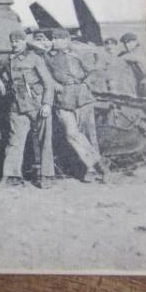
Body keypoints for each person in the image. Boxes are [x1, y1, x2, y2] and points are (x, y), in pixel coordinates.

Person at [0, 30, 55, 189]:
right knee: (14, 141)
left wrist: (47, 104)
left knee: (44, 140)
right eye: (12, 41)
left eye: (18, 41)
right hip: (17, 105)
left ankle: (46, 175)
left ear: (25, 41)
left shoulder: (35, 58)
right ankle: (11, 176)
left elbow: (48, 83)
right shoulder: (7, 59)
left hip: (37, 103)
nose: (14, 44)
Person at [44, 29, 109, 183]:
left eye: (58, 38)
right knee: (71, 133)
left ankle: (91, 169)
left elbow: (95, 70)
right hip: (63, 98)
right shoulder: (48, 56)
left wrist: (86, 84)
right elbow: (45, 74)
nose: (54, 41)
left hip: (82, 97)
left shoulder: (79, 53)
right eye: (53, 38)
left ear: (67, 40)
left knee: (89, 134)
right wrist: (53, 83)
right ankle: (98, 163)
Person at [119, 32, 146, 98]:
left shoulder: (139, 50)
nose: (126, 45)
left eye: (129, 42)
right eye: (125, 43)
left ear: (135, 41)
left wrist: (114, 57)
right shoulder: (133, 51)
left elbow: (126, 57)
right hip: (141, 82)